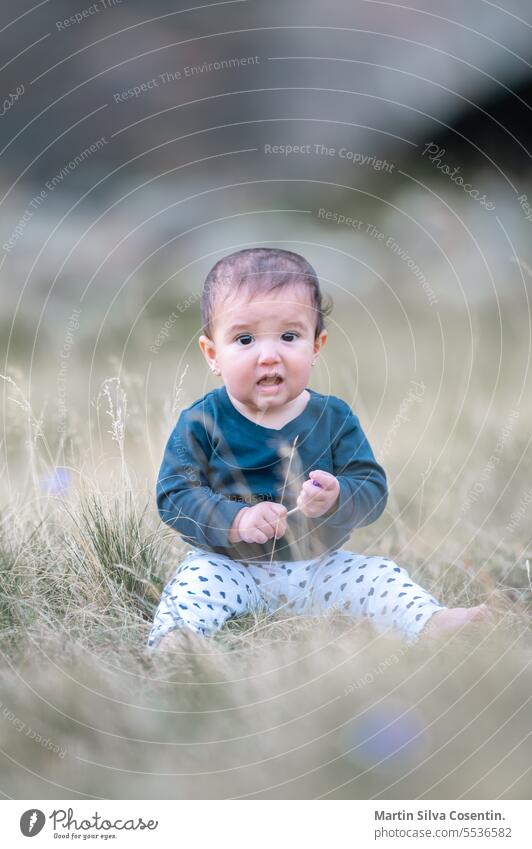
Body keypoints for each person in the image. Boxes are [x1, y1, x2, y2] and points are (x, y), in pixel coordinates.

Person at [148, 248, 488, 649]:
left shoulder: (334, 418)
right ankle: (177, 643)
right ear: (212, 354)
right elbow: (175, 494)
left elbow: (372, 488)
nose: (269, 355)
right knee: (192, 588)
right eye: (244, 339)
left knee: (379, 576)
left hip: (320, 569)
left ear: (316, 345)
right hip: (228, 565)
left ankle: (431, 622)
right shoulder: (201, 422)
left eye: (289, 336)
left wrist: (338, 496)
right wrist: (236, 520)